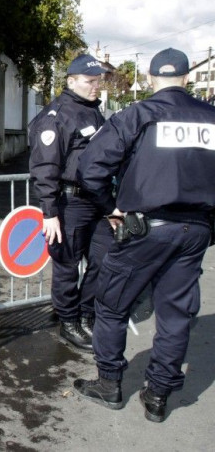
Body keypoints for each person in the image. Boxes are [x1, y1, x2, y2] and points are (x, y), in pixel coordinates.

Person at [73, 47, 215, 422]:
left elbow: (91, 168)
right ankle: (158, 396)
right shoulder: (211, 118)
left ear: (151, 80)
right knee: (176, 314)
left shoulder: (138, 114)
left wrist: (111, 208)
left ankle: (109, 384)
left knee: (112, 304)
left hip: (144, 227)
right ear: (186, 79)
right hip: (195, 229)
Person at [28, 54, 114, 352]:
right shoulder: (57, 116)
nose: (95, 87)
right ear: (71, 81)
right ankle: (68, 322)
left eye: (98, 82)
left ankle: (86, 314)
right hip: (70, 202)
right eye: (90, 82)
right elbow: (45, 167)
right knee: (67, 264)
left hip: (98, 202)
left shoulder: (93, 112)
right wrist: (49, 212)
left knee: (103, 260)